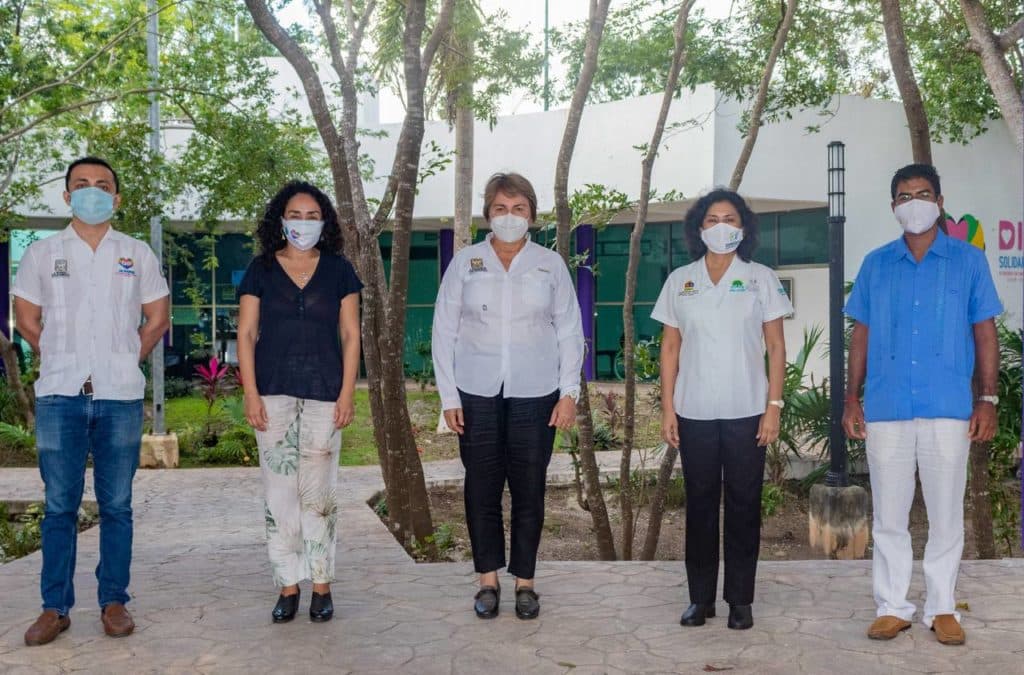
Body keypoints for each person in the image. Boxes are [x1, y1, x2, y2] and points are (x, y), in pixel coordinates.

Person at [14, 157, 170, 645]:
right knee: (59, 505)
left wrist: (126, 358)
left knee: (117, 504)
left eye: (103, 185)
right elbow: (26, 321)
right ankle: (54, 608)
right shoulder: (42, 253)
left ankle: (114, 601)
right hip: (59, 396)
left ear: (116, 198)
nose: (92, 192)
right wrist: (61, 356)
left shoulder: (137, 252)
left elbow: (157, 318)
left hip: (119, 396)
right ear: (66, 196)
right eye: (81, 185)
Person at [843, 164, 1001, 646]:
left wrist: (987, 398)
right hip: (887, 408)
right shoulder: (875, 264)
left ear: (940, 199)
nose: (915, 202)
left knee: (946, 515)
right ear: (893, 206)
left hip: (947, 407)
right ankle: (893, 607)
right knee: (889, 516)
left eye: (924, 193)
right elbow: (861, 333)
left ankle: (942, 608)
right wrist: (851, 398)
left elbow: (984, 332)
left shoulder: (968, 262)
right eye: (905, 195)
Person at [431, 172, 584, 620]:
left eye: (518, 209)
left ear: (532, 215)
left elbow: (570, 331)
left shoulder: (549, 264)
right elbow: (444, 330)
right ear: (488, 214)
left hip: (537, 393)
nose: (510, 217)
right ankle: (487, 582)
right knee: (480, 489)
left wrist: (569, 392)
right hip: (475, 392)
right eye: (501, 208)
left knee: (529, 490)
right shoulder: (466, 262)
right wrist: (449, 397)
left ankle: (526, 583)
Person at [652, 189, 790, 631]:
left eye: (729, 218)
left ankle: (740, 601)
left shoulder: (760, 278)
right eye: (711, 219)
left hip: (748, 411)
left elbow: (775, 345)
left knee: (745, 505)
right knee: (700, 505)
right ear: (698, 228)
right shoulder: (680, 280)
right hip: (694, 412)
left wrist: (773, 407)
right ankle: (700, 600)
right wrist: (667, 408)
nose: (720, 226)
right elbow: (670, 347)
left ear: (743, 228)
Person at [236, 181, 363, 624]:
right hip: (271, 391)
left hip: (327, 392)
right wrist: (250, 393)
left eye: (312, 216)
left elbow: (351, 334)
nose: (303, 224)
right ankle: (288, 586)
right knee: (279, 493)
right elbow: (247, 334)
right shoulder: (261, 269)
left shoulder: (340, 270)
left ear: (324, 222)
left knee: (319, 493)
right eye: (295, 215)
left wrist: (348, 391)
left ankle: (322, 586)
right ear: (281, 219)